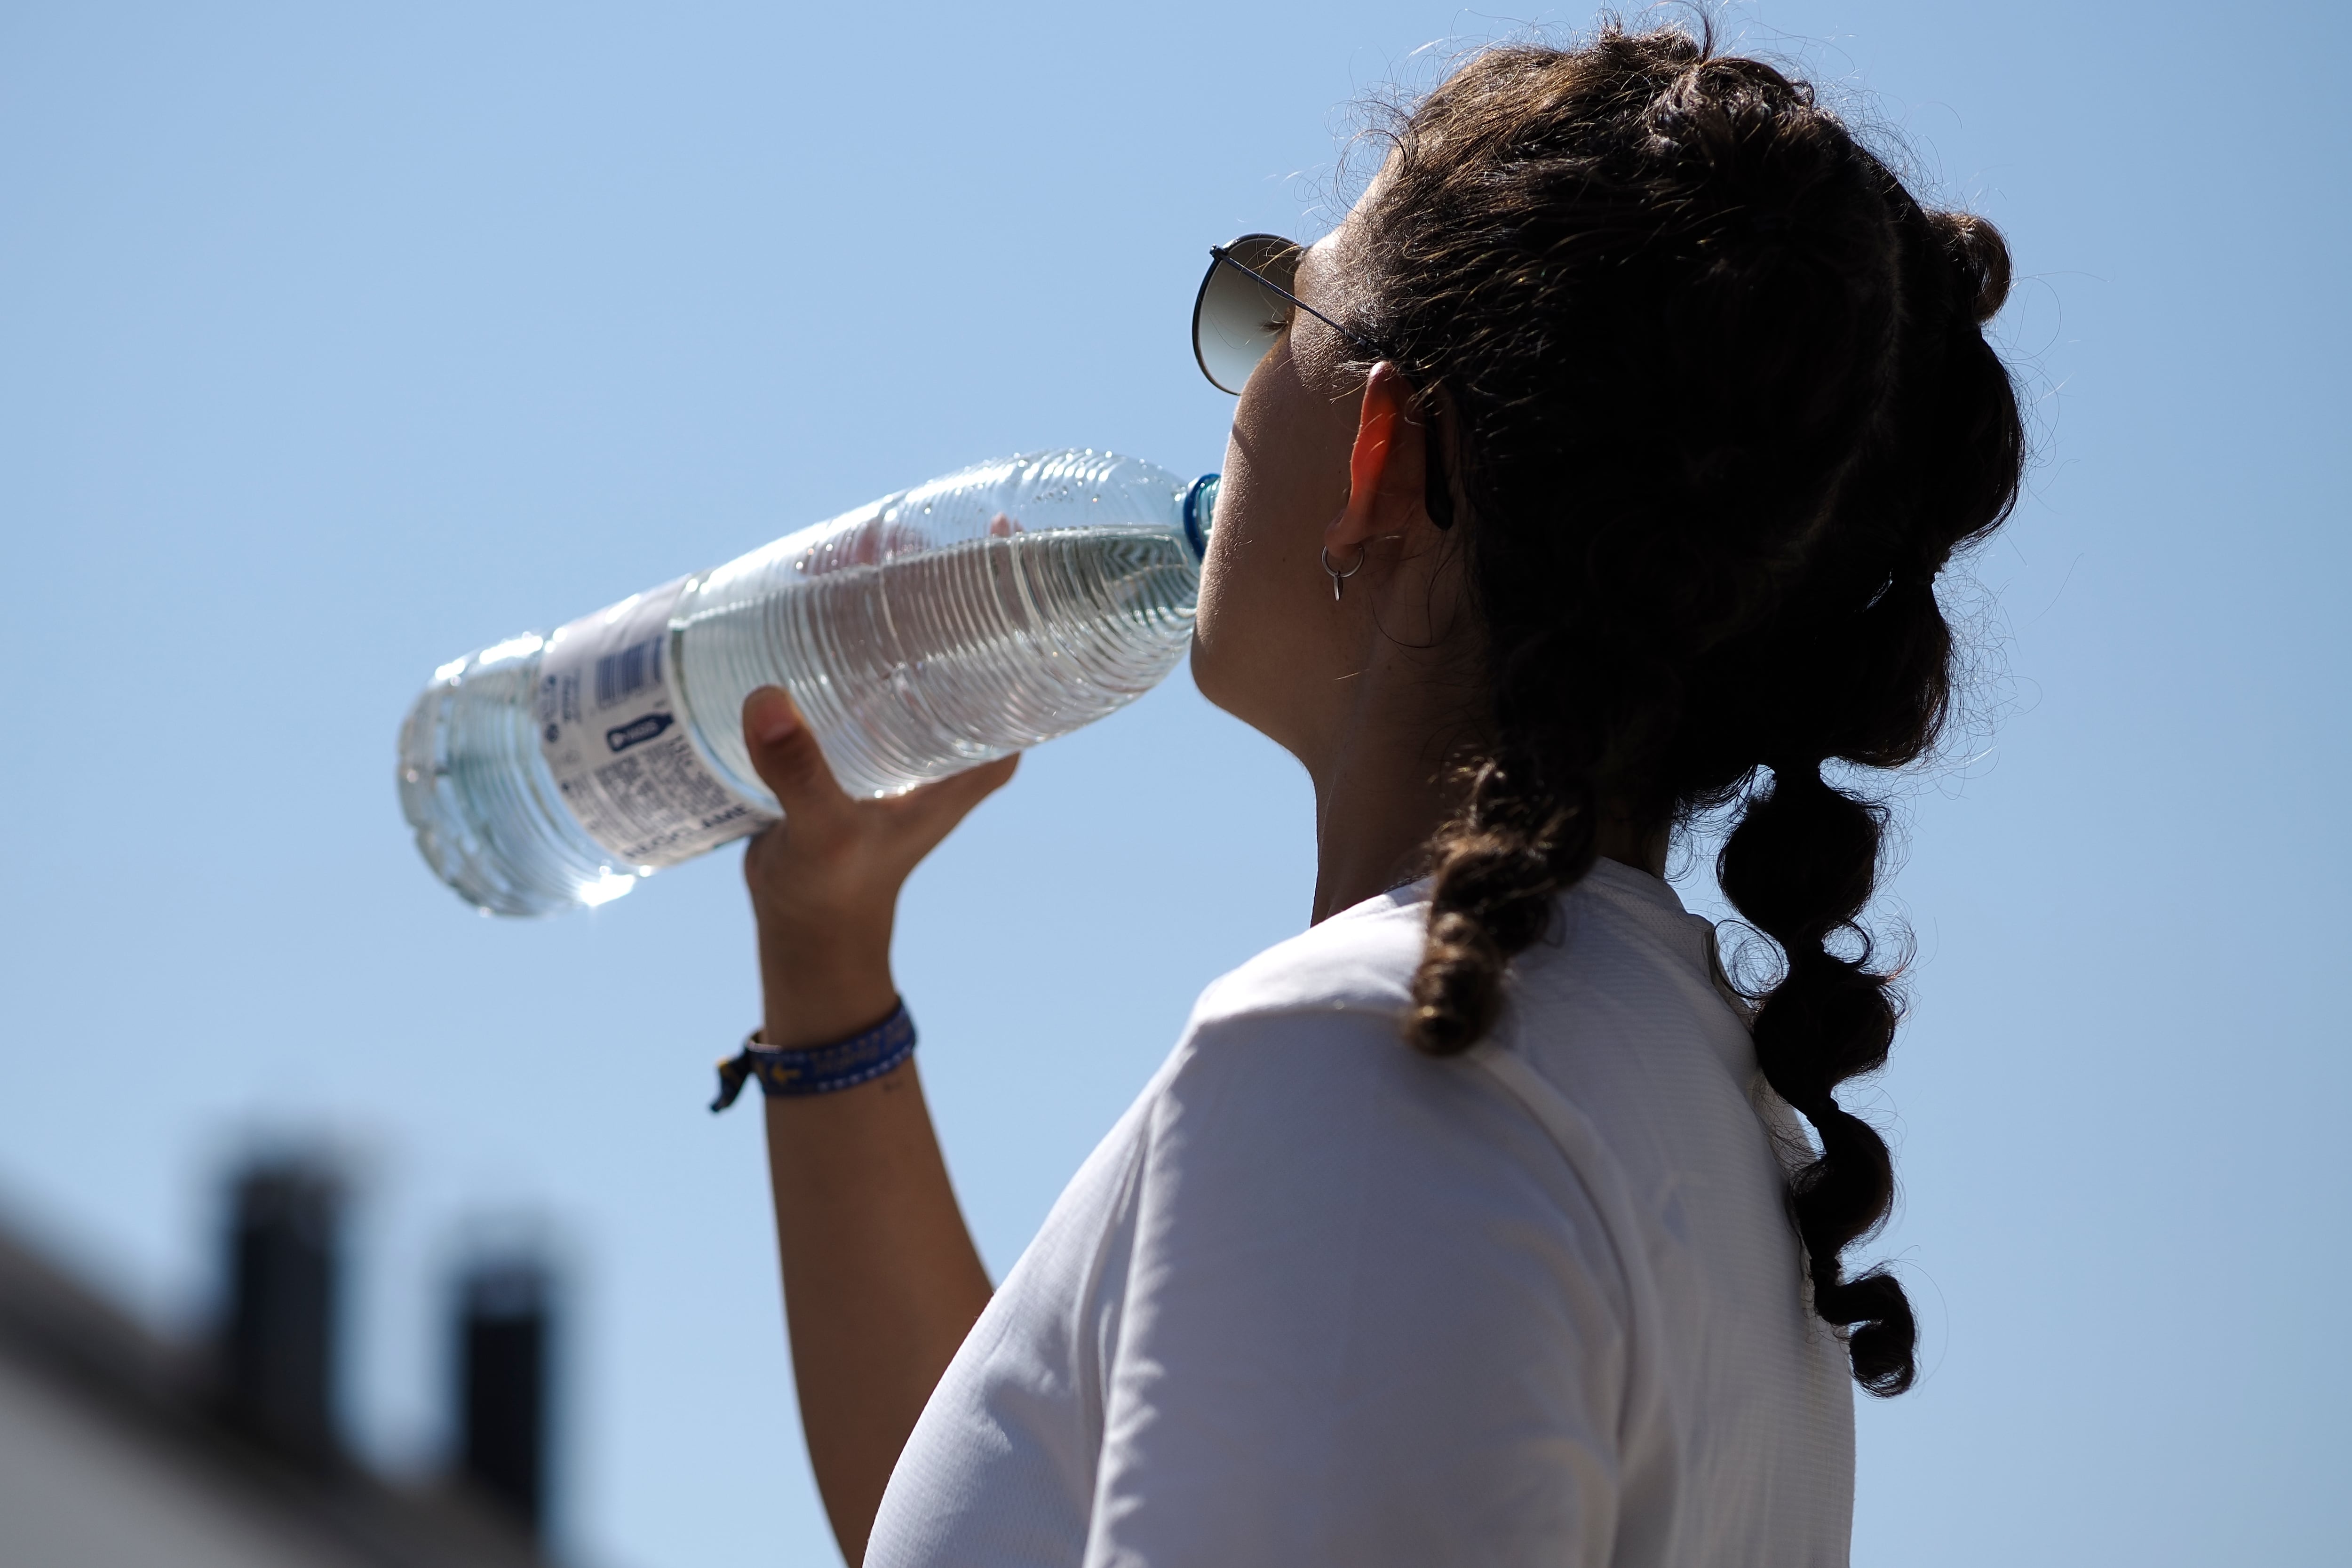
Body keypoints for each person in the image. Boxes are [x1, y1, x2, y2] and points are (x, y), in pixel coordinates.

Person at [718, 22, 2024, 1567]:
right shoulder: (1708, 1137)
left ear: (1385, 456)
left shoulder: (1368, 1063)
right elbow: (1015, 1504)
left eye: (1278, 305)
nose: (1240, 374)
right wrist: (828, 962)